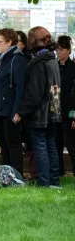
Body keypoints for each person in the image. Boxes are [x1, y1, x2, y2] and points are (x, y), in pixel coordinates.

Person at [13, 27, 61, 188]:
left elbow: (34, 92)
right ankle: (54, 180)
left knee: (40, 146)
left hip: (40, 113)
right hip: (53, 110)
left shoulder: (39, 62)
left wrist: (21, 112)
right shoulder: (52, 59)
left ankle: (44, 182)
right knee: (51, 145)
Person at [0, 28, 27, 176]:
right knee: (3, 145)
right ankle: (6, 176)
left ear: (9, 42)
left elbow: (20, 87)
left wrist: (17, 110)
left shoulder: (17, 60)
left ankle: (16, 175)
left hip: (10, 110)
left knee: (13, 144)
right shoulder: (3, 61)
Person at [17, 30, 36, 180]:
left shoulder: (25, 60)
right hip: (23, 108)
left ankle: (33, 174)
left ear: (23, 43)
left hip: (26, 109)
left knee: (30, 145)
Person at [55, 35, 75, 176]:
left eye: (61, 49)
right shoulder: (54, 67)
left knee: (72, 145)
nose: (58, 52)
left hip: (69, 111)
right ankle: (59, 172)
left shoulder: (73, 68)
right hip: (55, 110)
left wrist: (74, 115)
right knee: (56, 144)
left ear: (68, 50)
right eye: (57, 49)